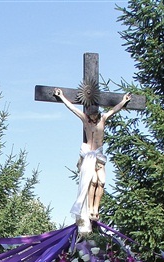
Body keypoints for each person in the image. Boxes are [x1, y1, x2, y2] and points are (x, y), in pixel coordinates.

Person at [53, 88, 131, 231]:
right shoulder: (85, 120)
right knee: (92, 181)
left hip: (99, 155)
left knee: (101, 182)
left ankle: (96, 208)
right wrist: (62, 96)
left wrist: (124, 101)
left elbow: (115, 109)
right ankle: (90, 211)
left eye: (95, 114)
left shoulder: (103, 119)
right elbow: (72, 108)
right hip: (89, 155)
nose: (93, 117)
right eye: (91, 115)